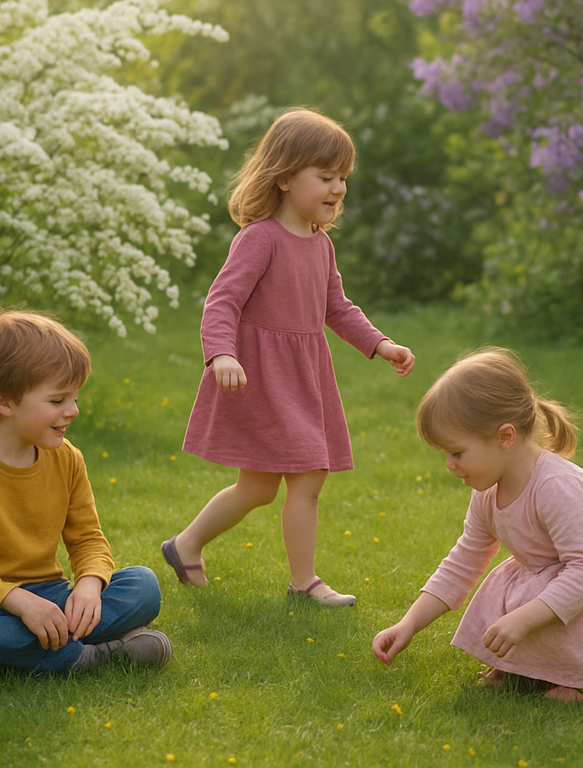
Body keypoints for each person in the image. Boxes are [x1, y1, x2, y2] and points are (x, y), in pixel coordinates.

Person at [163, 109, 415, 606]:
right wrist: (221, 356)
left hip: (304, 377)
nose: (338, 188)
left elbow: (336, 308)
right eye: (325, 177)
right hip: (259, 376)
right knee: (304, 475)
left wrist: (380, 344)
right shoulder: (259, 239)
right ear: (284, 178)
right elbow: (222, 302)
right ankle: (304, 584)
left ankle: (185, 544)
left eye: (343, 178)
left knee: (258, 487)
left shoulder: (321, 246)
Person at [372, 349, 583, 703]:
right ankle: (526, 667)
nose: (449, 465)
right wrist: (408, 624)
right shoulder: (488, 493)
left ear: (505, 437)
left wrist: (523, 620)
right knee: (509, 586)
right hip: (561, 573)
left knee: (537, 602)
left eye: (456, 452)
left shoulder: (555, 487)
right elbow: (462, 563)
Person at [0, 310, 170, 690]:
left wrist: (88, 584)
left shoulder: (68, 459)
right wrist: (16, 600)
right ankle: (94, 654)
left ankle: (0, 660)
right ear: (4, 402)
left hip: (51, 597)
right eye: (57, 400)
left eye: (74, 397)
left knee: (143, 586)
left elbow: (88, 540)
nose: (73, 410)